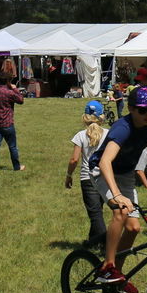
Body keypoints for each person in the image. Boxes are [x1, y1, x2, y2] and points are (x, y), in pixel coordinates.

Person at [94, 86, 147, 293]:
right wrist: (116, 195)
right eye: (143, 110)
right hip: (102, 171)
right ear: (131, 109)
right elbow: (105, 162)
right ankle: (107, 267)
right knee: (120, 211)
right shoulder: (122, 128)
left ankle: (118, 276)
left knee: (133, 228)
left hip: (125, 174)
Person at [65, 101, 109, 247]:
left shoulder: (80, 135)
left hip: (87, 178)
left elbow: (74, 159)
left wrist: (69, 175)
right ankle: (91, 242)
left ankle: (107, 244)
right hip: (105, 177)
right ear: (102, 116)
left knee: (95, 213)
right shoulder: (108, 134)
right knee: (97, 211)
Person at [0, 73, 24, 172]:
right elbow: (21, 100)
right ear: (7, 82)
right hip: (8, 124)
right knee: (13, 147)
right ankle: (16, 167)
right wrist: (15, 89)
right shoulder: (9, 93)